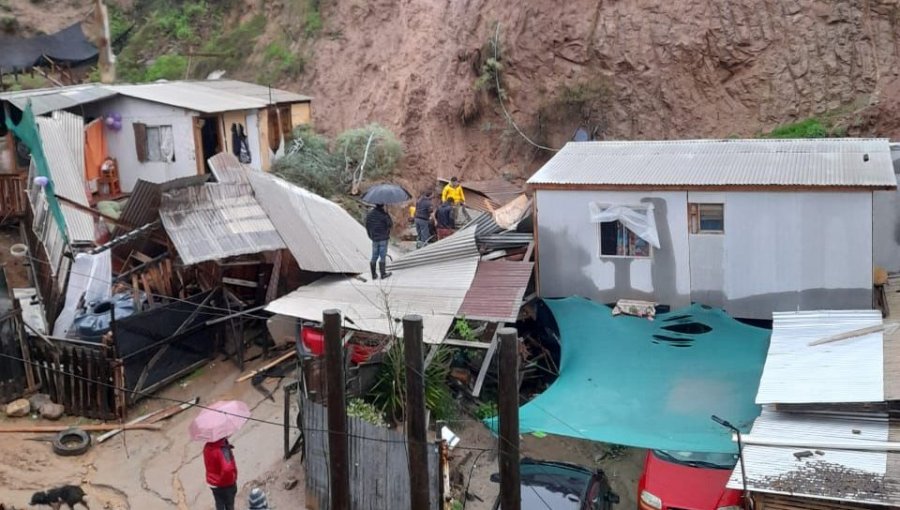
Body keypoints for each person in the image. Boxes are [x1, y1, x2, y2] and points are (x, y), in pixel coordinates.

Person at [204, 437, 238, 510]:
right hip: (225, 484)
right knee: (229, 504)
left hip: (213, 483)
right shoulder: (222, 449)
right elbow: (227, 469)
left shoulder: (207, 447)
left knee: (219, 502)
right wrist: (230, 480)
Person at [365, 204, 393, 280]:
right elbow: (390, 225)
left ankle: (374, 275)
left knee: (374, 256)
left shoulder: (370, 214)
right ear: (382, 205)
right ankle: (383, 274)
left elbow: (367, 225)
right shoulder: (384, 214)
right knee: (382, 256)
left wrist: (370, 235)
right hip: (383, 238)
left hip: (374, 238)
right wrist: (387, 214)